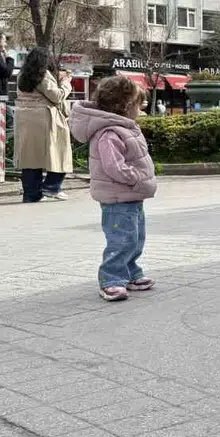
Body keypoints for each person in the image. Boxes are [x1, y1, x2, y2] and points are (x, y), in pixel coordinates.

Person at [69, 76, 157, 302]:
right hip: (119, 195)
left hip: (131, 195)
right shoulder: (110, 132)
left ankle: (130, 272)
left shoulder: (123, 128)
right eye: (139, 103)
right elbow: (113, 166)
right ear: (125, 105)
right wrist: (135, 177)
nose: (141, 108)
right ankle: (111, 279)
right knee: (121, 239)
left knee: (136, 237)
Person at [15, 47, 73, 203]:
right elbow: (57, 96)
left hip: (24, 118)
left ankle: (31, 194)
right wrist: (66, 83)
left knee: (30, 158)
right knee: (60, 152)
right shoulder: (43, 75)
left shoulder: (22, 75)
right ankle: (51, 187)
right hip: (43, 118)